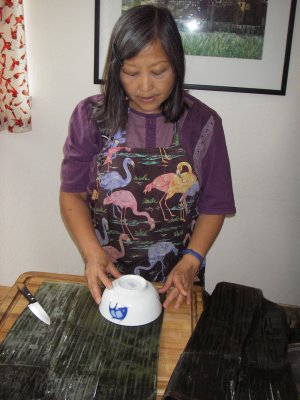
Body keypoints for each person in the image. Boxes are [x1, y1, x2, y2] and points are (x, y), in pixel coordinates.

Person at [60, 5, 236, 310]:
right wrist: (92, 254)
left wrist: (192, 260)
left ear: (177, 66)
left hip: (178, 280)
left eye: (158, 72)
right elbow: (72, 193)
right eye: (131, 72)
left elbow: (215, 205)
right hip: (108, 275)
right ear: (116, 69)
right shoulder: (90, 117)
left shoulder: (202, 123)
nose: (145, 87)